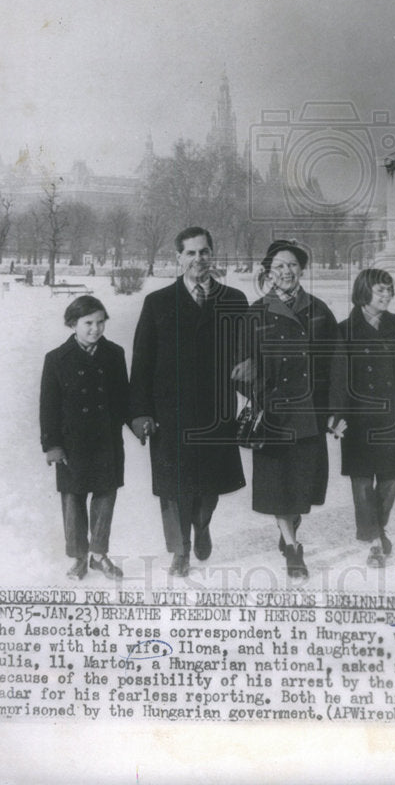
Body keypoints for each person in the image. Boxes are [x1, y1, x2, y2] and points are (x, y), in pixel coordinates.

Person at [129, 227, 247, 577]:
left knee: (210, 486)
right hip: (170, 411)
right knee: (174, 487)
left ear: (213, 254)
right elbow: (142, 362)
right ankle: (180, 550)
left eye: (204, 251)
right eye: (191, 253)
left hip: (216, 409)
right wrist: (140, 412)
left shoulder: (234, 300)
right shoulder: (158, 302)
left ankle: (202, 523)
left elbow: (247, 354)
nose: (199, 259)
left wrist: (253, 369)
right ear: (178, 257)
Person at [234, 240, 337, 581]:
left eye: (292, 265)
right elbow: (240, 367)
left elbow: (337, 363)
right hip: (274, 414)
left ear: (302, 270)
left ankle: (289, 526)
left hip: (310, 413)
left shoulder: (319, 310)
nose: (286, 272)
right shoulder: (256, 313)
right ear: (268, 273)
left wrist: (335, 408)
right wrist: (263, 394)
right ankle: (293, 549)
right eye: (278, 266)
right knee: (278, 487)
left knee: (303, 487)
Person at [330, 268, 395, 568]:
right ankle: (374, 541)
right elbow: (337, 377)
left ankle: (377, 528)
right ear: (364, 292)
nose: (387, 295)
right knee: (362, 482)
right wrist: (336, 417)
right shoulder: (344, 329)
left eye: (389, 290)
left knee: (392, 477)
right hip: (358, 419)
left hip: (391, 415)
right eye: (380, 290)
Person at [39, 295, 129, 580]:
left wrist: (138, 421)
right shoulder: (56, 358)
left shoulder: (114, 354)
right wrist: (52, 444)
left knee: (105, 496)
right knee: (73, 500)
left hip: (106, 440)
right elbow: (48, 406)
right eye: (88, 323)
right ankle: (79, 557)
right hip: (72, 443)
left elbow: (123, 398)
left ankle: (99, 556)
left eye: (101, 322)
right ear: (72, 324)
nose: (95, 329)